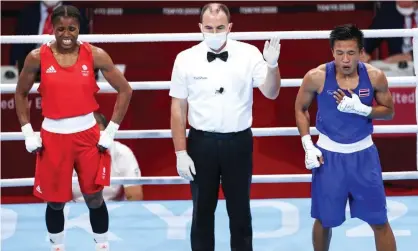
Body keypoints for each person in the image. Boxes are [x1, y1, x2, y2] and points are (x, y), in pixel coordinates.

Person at [14, 5, 132, 251]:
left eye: (72, 29)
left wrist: (110, 131)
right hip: (53, 136)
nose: (66, 34)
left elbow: (125, 89)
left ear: (79, 28)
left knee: (94, 197)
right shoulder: (36, 57)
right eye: (60, 29)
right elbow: (21, 92)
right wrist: (27, 131)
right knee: (55, 202)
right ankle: (57, 247)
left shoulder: (96, 55)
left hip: (87, 135)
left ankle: (102, 246)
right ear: (52, 29)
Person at [169, 3, 281, 250]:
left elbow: (271, 92)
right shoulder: (185, 58)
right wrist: (180, 152)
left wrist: (272, 66)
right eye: (209, 27)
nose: (214, 32)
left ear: (230, 26)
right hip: (201, 144)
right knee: (202, 213)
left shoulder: (250, 53)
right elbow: (178, 108)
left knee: (240, 212)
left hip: (238, 142)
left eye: (220, 27)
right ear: (200, 27)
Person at [295, 24, 396, 251]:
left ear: (361, 52)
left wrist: (363, 109)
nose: (345, 59)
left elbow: (389, 111)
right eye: (340, 53)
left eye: (351, 53)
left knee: (379, 221)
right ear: (332, 52)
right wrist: (307, 145)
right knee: (324, 220)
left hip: (364, 157)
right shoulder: (316, 77)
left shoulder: (374, 76)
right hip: (329, 159)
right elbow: (300, 108)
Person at [72, 112, 143, 202]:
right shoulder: (66, 154)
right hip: (74, 210)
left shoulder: (122, 152)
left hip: (113, 210)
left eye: (96, 133)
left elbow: (135, 196)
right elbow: (56, 199)